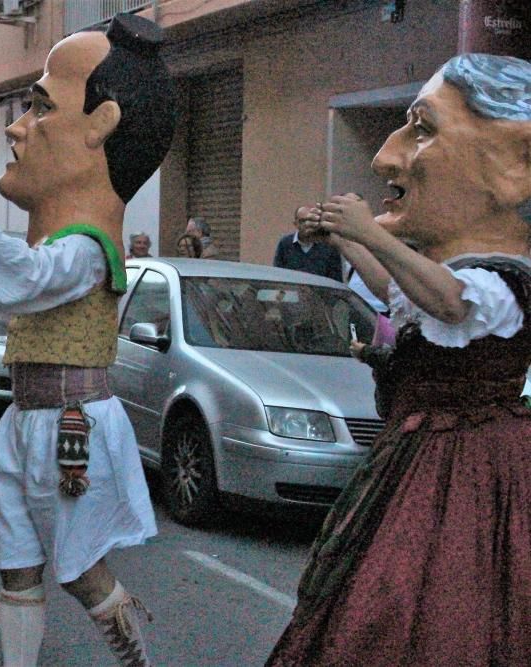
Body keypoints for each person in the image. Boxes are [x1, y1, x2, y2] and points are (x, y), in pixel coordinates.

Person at [0, 13, 177, 666]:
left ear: (102, 121)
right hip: (31, 416)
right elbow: (13, 294)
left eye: (39, 105)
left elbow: (23, 283)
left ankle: (141, 661)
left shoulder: (88, 244)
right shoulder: (62, 242)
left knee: (81, 567)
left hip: (69, 423)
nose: (16, 127)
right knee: (18, 565)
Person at [267, 53, 531, 666]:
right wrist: (347, 238)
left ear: (516, 166)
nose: (387, 155)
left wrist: (372, 232)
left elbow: (449, 300)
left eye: (423, 128)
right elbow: (406, 291)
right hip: (426, 453)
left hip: (466, 465)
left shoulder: (501, 281)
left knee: (433, 600)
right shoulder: (460, 277)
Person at [271, 205, 343, 281]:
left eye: (310, 220)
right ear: (295, 224)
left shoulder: (327, 245)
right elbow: (278, 274)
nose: (306, 224)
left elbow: (336, 280)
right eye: (302, 221)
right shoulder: (285, 244)